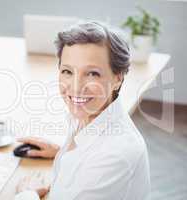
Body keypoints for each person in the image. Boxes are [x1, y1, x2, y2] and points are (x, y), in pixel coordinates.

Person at [14, 21, 151, 200]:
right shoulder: (90, 113)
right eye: (67, 71)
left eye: (92, 73)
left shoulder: (116, 156)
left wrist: (27, 194)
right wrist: (63, 153)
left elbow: (100, 164)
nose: (76, 88)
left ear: (118, 78)